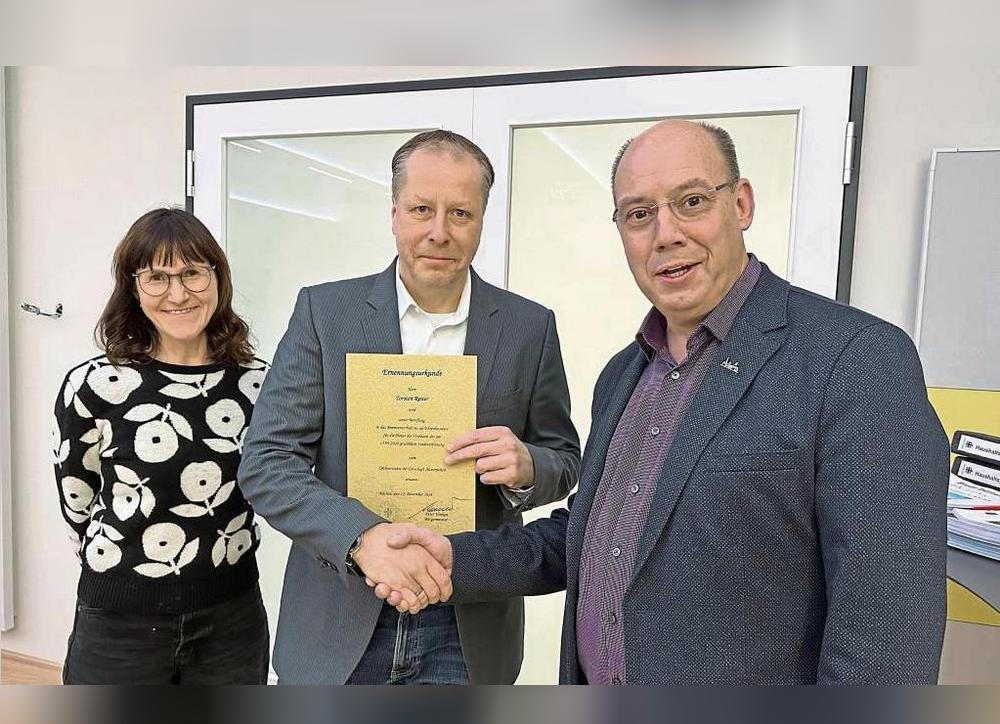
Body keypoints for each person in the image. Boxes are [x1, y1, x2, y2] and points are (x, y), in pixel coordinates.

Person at [377, 119, 949, 684]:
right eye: (639, 214)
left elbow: (888, 635)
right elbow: (590, 535)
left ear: (742, 204)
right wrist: (456, 559)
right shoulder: (624, 374)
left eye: (692, 201)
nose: (666, 234)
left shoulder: (853, 359)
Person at [238, 130, 581, 685]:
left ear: (482, 220)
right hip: (342, 612)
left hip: (466, 621)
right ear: (395, 212)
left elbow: (563, 458)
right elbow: (266, 462)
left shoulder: (527, 328)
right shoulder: (326, 313)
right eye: (422, 209)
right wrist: (361, 539)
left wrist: (525, 468)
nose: (439, 232)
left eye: (461, 213)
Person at [53, 208, 270, 684]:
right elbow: (78, 500)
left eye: (192, 273)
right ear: (132, 287)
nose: (178, 294)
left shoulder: (259, 385)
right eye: (156, 277)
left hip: (231, 619)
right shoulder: (94, 386)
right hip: (118, 619)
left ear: (218, 278)